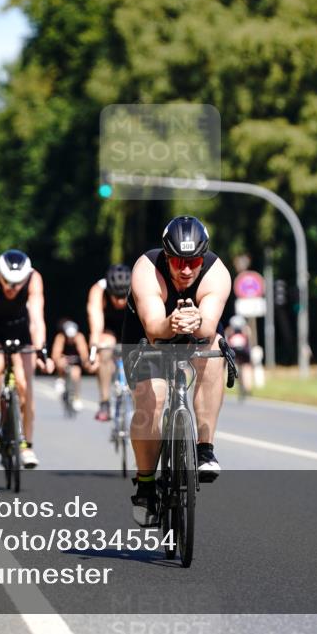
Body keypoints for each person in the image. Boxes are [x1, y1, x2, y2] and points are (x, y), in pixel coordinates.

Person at [121, 216, 232, 525]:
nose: (186, 270)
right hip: (148, 337)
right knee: (152, 398)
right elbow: (154, 328)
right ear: (166, 256)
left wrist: (197, 322)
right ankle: (145, 485)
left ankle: (205, 449)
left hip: (197, 331)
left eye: (193, 261)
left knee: (214, 349)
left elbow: (208, 327)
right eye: (178, 262)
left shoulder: (216, 273)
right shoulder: (147, 269)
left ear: (203, 258)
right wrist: (171, 323)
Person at [0, 249, 55, 468]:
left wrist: (41, 349)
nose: (11, 288)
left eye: (17, 284)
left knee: (24, 386)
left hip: (21, 330)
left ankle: (26, 446)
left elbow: (37, 319)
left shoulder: (34, 279)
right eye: (7, 282)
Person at [87, 264, 131, 421]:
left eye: (123, 296)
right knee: (105, 347)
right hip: (109, 329)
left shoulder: (137, 288)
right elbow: (96, 325)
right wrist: (94, 353)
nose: (120, 301)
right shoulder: (98, 291)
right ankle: (104, 402)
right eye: (116, 297)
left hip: (131, 326)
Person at [51, 320, 90, 412]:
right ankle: (60, 379)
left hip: (76, 361)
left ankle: (76, 397)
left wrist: (85, 362)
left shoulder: (79, 337)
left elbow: (84, 354)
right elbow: (55, 354)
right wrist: (60, 359)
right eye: (68, 336)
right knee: (60, 363)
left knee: (76, 373)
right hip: (64, 360)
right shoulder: (60, 337)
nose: (70, 339)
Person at [225, 315, 253, 397]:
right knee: (246, 368)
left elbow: (226, 341)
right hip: (244, 351)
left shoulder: (229, 330)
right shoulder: (246, 329)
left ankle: (240, 384)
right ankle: (247, 387)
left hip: (234, 351)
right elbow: (250, 339)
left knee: (235, 367)